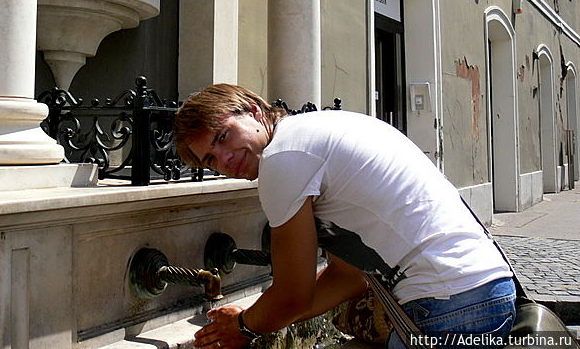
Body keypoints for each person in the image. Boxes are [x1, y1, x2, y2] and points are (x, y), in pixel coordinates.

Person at [173, 84, 515, 349]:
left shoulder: (283, 157)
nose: (225, 159)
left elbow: (293, 293)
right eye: (210, 160)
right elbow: (348, 277)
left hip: (447, 307)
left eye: (223, 136)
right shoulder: (318, 129)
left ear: (253, 111)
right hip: (485, 290)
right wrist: (254, 319)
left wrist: (245, 325)